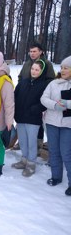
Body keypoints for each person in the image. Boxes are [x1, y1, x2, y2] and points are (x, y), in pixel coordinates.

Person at [14, 42, 56, 151]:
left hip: (39, 97)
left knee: (37, 122)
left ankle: (38, 143)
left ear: (41, 52)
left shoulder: (47, 63)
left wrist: (40, 89)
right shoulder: (27, 63)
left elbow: (51, 80)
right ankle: (22, 142)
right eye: (30, 51)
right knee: (23, 121)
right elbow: (20, 76)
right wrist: (21, 86)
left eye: (34, 51)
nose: (32, 54)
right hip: (25, 94)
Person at [12, 59, 51, 176]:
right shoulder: (23, 82)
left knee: (31, 142)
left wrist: (35, 109)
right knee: (23, 141)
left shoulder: (44, 85)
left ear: (42, 71)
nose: (34, 71)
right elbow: (15, 96)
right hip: (20, 117)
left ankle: (31, 164)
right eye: (33, 69)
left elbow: (45, 102)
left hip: (33, 119)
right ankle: (24, 160)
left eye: (37, 70)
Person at [40, 55, 71, 196]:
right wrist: (54, 105)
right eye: (62, 68)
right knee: (54, 150)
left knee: (66, 153)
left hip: (68, 125)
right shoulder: (53, 83)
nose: (63, 70)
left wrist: (67, 104)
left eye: (66, 68)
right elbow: (43, 98)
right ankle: (56, 176)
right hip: (52, 122)